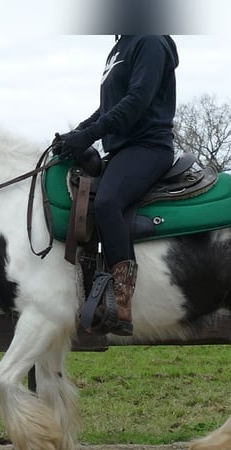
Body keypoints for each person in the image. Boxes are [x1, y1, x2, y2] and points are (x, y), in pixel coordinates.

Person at [53, 35, 179, 336]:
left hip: (148, 147)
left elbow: (136, 101)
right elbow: (108, 107)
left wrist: (90, 135)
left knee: (108, 202)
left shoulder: (150, 41)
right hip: (121, 150)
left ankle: (121, 299)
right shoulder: (120, 48)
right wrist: (78, 133)